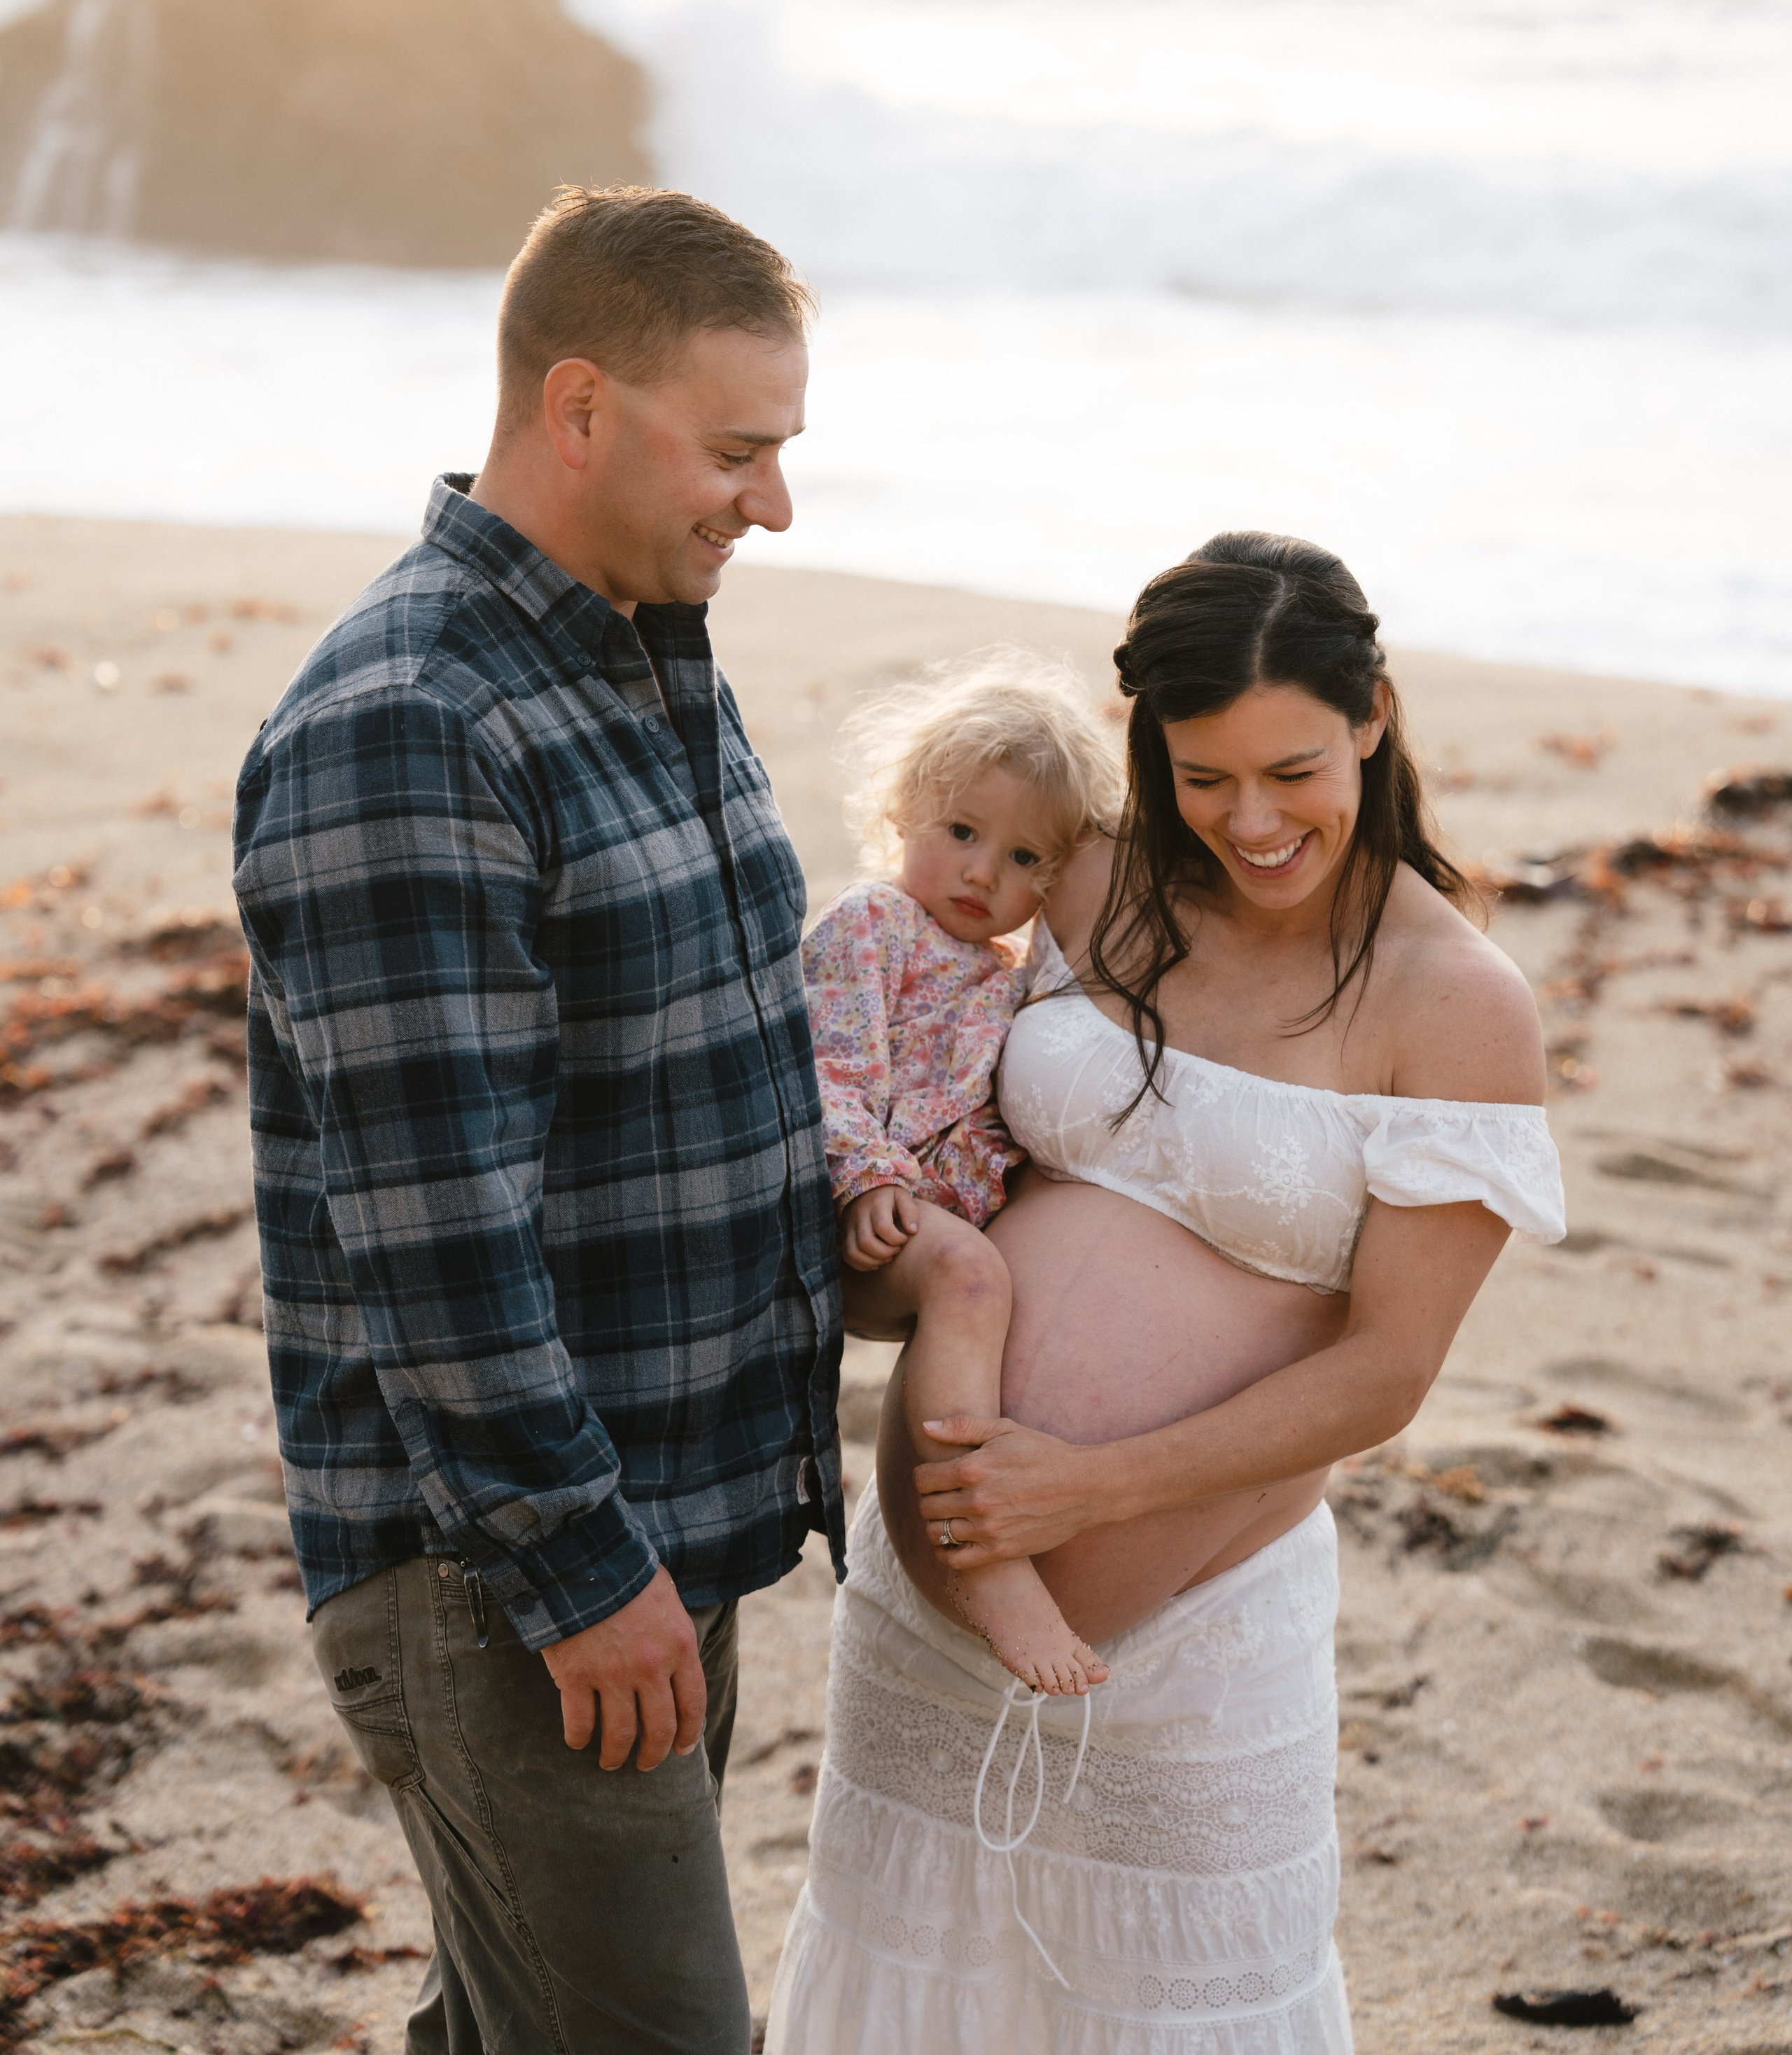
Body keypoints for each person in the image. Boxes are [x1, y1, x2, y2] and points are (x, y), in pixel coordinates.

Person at [769, 531, 1566, 2054]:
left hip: (1191, 1639)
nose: (1249, 823)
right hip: (926, 1624)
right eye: (1202, 778)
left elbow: (1386, 1374)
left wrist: (1083, 1486)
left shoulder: (1453, 1005)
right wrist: (892, 1272)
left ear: (1372, 720)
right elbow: (908, 1104)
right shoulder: (1082, 876)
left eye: (1290, 771)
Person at [234, 186, 844, 2055]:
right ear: (581, 408)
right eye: (738, 450)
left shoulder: (641, 648)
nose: (777, 503)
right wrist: (586, 1580)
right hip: (510, 1577)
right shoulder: (408, 722)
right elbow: (435, 1234)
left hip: (654, 1526)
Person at [804, 654, 1119, 1697]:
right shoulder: (871, 928)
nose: (984, 873)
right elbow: (830, 1073)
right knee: (971, 1279)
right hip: (848, 1212)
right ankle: (983, 1558)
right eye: (962, 833)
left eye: (1024, 856)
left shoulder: (1007, 980)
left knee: (995, 1277)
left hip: (927, 1219)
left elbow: (989, 1122)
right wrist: (868, 1183)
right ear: (906, 813)